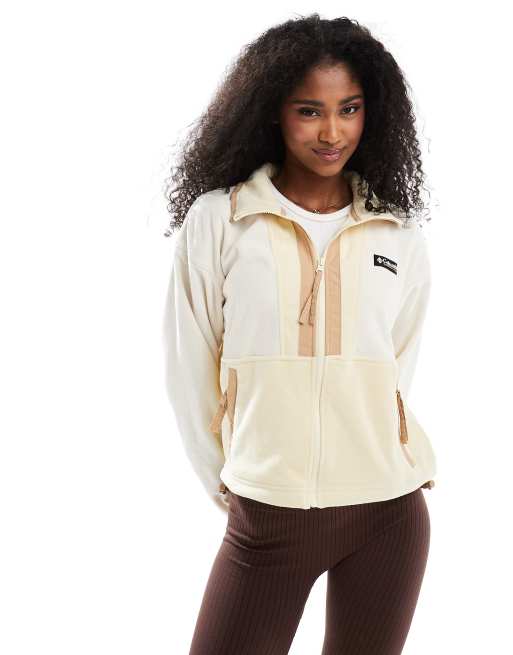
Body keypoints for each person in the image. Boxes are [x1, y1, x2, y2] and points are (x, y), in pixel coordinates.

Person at [162, 13, 436, 655]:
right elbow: (188, 366)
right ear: (273, 112)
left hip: (388, 513)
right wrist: (234, 483)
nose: (332, 132)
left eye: (349, 109)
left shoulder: (397, 232)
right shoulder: (221, 220)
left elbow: (396, 368)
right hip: (267, 513)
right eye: (309, 110)